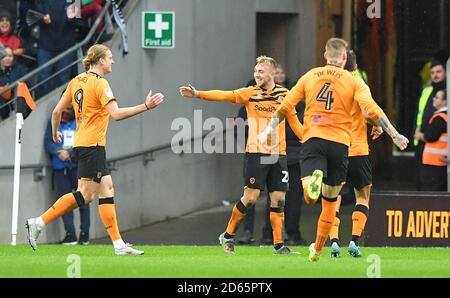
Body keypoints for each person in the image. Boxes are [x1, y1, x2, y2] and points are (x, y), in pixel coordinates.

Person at [258, 38, 409, 262]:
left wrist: (267, 130)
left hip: (314, 139)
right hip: (341, 146)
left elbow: (286, 106)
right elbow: (372, 110)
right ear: (344, 57)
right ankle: (318, 249)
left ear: (325, 55)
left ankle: (314, 183)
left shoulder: (310, 75)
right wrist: (394, 134)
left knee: (311, 196)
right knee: (332, 201)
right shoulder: (354, 81)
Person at [26, 44, 165, 255]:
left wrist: (55, 133)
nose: (113, 60)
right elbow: (116, 114)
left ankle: (118, 245)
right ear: (100, 60)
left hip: (84, 143)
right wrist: (145, 106)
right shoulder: (101, 84)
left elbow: (56, 112)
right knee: (84, 195)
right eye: (109, 57)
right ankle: (38, 222)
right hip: (93, 145)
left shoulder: (76, 81)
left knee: (107, 189)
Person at [179, 55, 304, 255]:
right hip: (256, 153)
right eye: (255, 71)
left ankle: (278, 245)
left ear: (273, 73)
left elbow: (295, 123)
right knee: (251, 197)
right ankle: (228, 235)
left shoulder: (285, 94)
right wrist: (198, 94)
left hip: (279, 155)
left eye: (261, 71)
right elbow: (225, 95)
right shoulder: (249, 93)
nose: (257, 74)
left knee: (279, 199)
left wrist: (309, 139)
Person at [328, 50, 384, 258]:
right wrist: (376, 124)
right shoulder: (358, 84)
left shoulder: (330, 85)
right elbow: (367, 112)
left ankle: (334, 242)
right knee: (362, 196)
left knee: (334, 198)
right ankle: (353, 241)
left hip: (336, 149)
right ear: (356, 67)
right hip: (359, 150)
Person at [44, 106, 91, 245]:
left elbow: (85, 141)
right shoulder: (54, 119)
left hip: (78, 167)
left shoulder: (80, 120)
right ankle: (70, 235)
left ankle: (84, 234)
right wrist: (59, 151)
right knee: (64, 202)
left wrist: (69, 153)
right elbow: (48, 142)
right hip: (60, 167)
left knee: (82, 199)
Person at [414, 61, 447, 190]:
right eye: (433, 73)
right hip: (422, 143)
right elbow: (418, 114)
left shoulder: (447, 91)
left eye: (439, 72)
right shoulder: (426, 91)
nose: (435, 75)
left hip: (437, 144)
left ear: (445, 73)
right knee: (421, 180)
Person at [0, 46, 28, 119]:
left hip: (21, 101)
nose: (7, 58)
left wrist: (9, 88)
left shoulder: (20, 68)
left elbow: (27, 83)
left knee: (19, 88)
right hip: (4, 104)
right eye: (4, 56)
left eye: (10, 56)